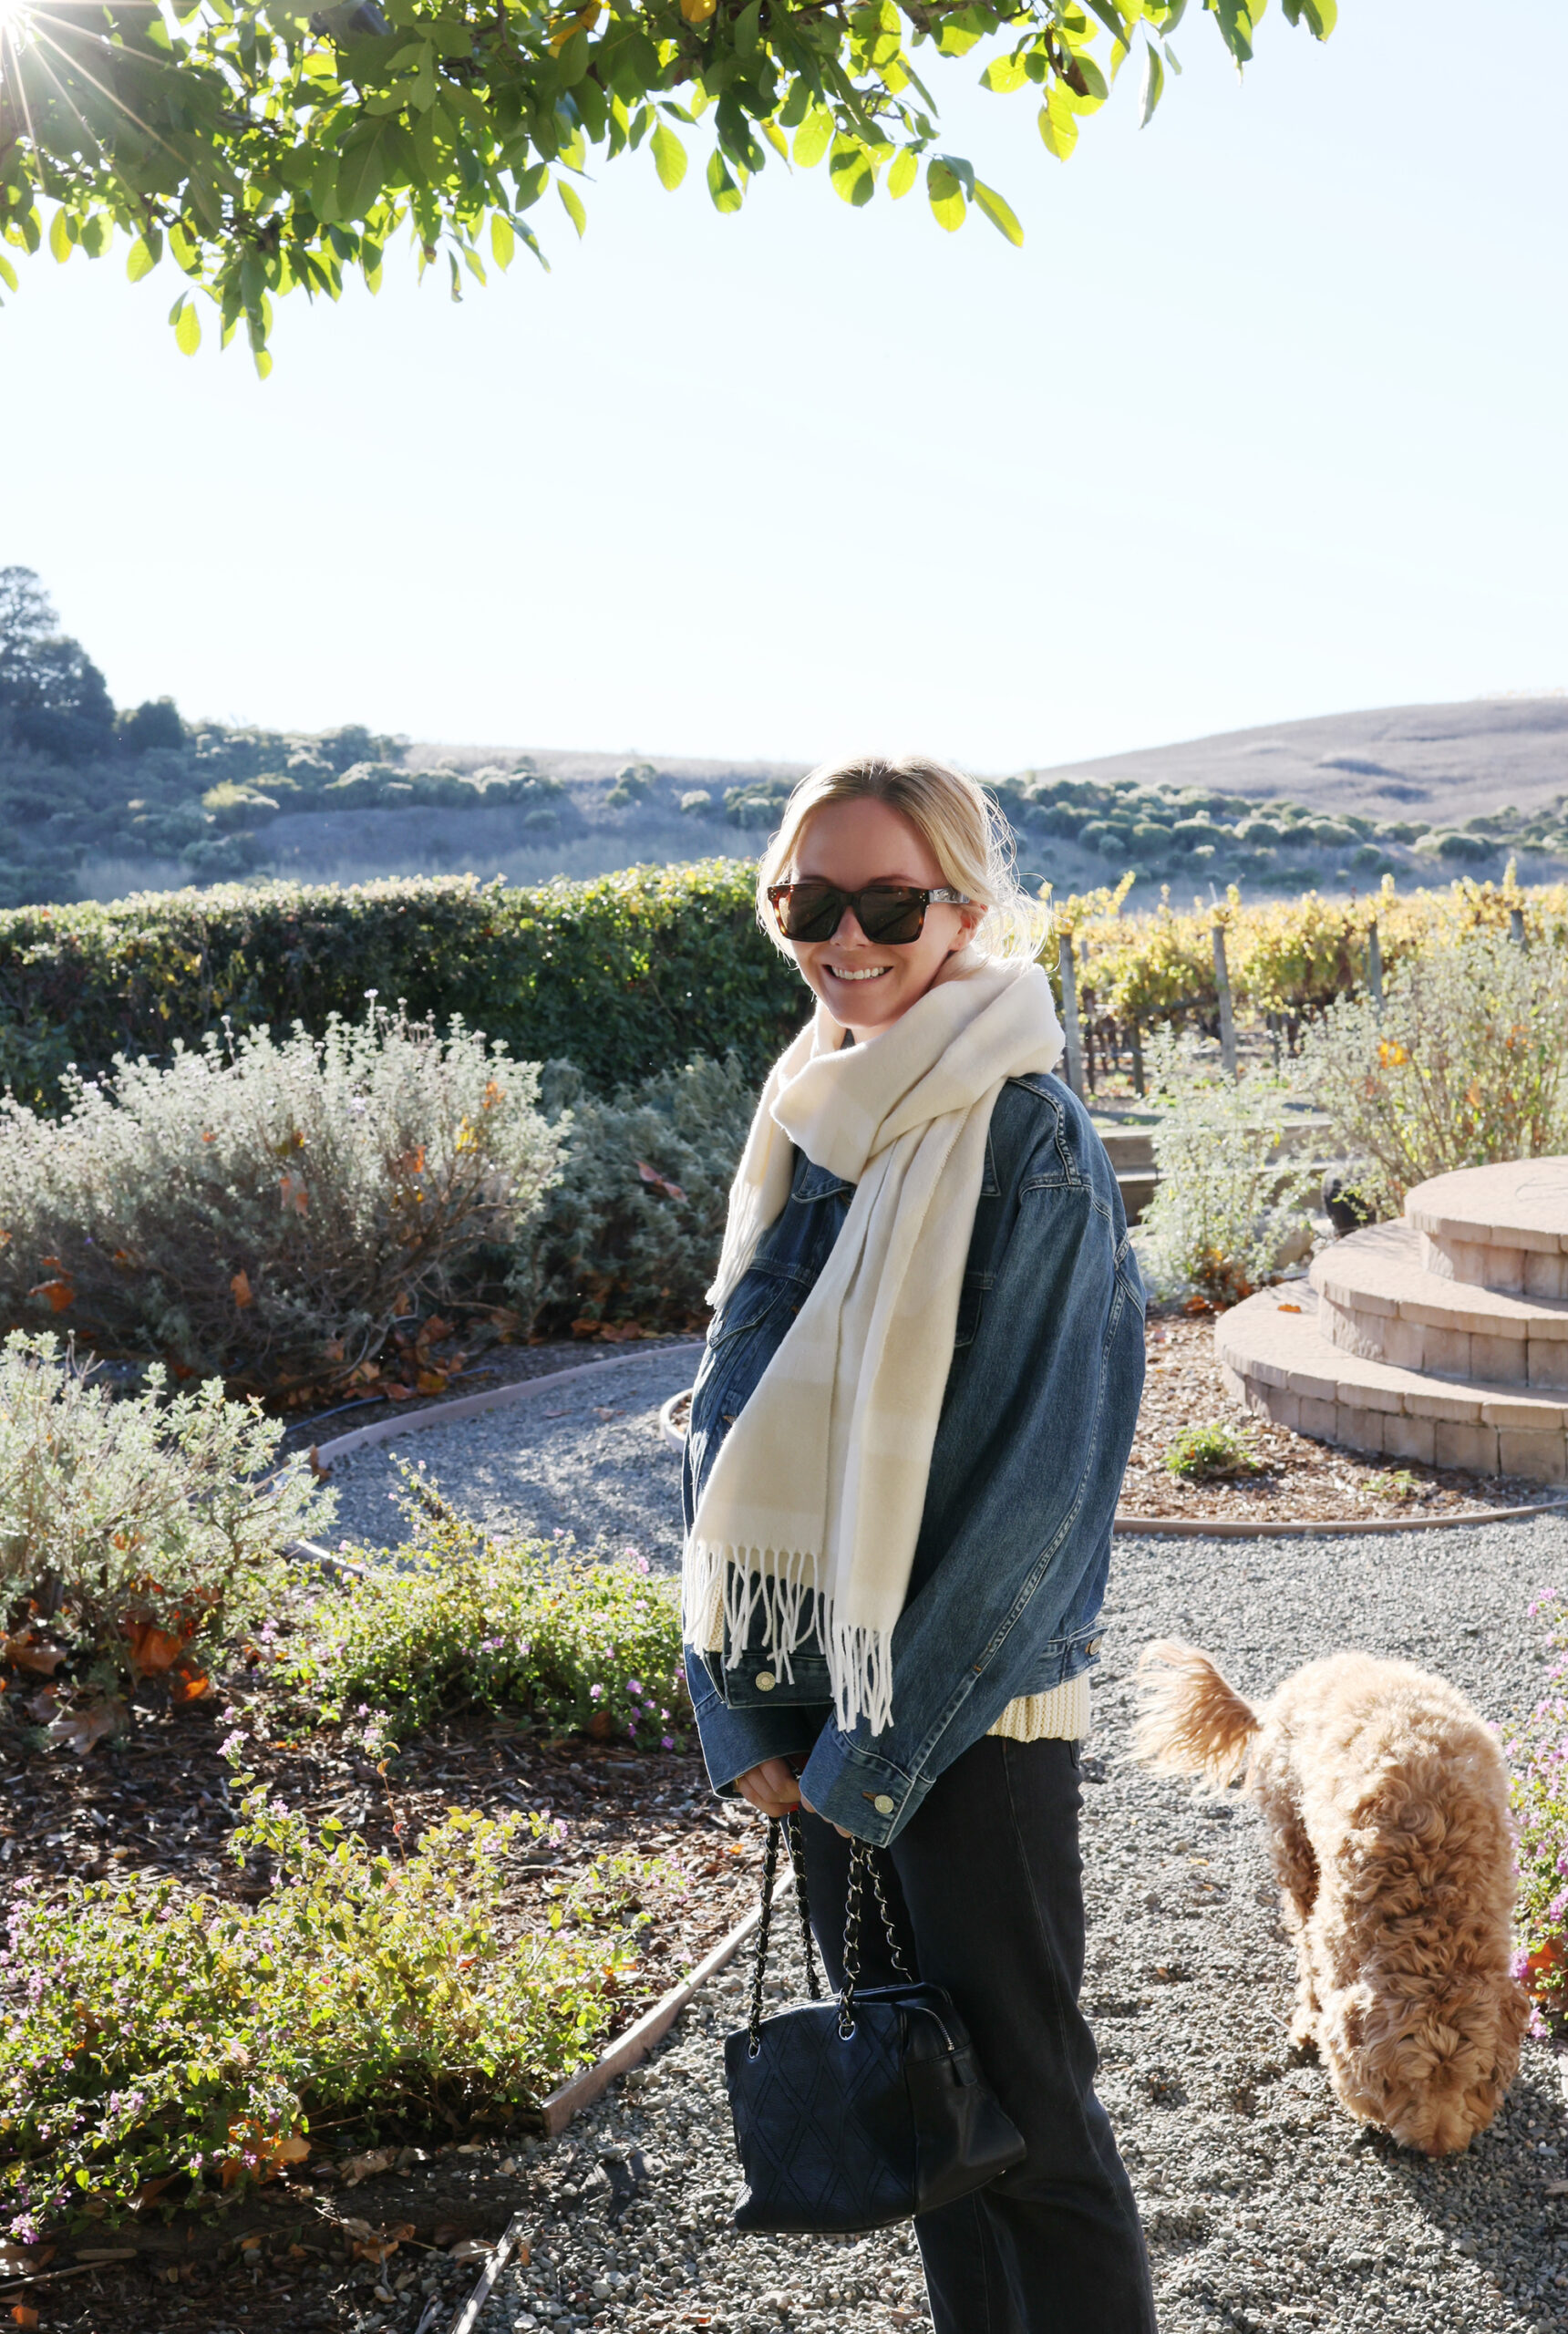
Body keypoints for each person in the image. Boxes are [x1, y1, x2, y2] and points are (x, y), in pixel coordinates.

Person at [679, 752, 1154, 2334]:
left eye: (890, 903)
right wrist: (749, 1714)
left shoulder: (1026, 1138)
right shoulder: (812, 1117)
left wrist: (866, 1763)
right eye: (809, 902)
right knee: (926, 2124)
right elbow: (726, 1425)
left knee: (1033, 2122)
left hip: (967, 1715)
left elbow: (1039, 1495)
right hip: (823, 1714)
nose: (847, 937)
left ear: (965, 909)